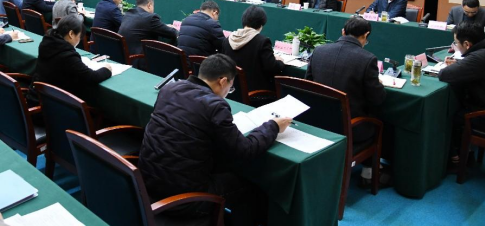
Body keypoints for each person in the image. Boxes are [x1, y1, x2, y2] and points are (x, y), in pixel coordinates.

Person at [138, 54, 291, 226]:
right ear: (223, 81)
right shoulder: (215, 105)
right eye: (230, 88)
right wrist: (273, 126)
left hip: (148, 184)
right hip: (184, 199)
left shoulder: (170, 89)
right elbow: (245, 150)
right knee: (250, 186)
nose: (227, 93)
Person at [306, 16, 386, 185]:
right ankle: (369, 171)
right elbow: (377, 99)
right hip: (350, 128)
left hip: (317, 122)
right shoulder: (367, 59)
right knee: (378, 118)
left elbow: (308, 85)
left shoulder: (319, 51)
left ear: (343, 32)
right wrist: (378, 84)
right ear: (366, 35)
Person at [27, 15, 111, 107]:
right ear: (71, 34)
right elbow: (92, 77)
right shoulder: (67, 55)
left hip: (36, 96)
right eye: (79, 36)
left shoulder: (46, 42)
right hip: (51, 105)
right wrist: (107, 69)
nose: (79, 40)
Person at [439, 22, 485, 164]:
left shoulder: (477, 58)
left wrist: (459, 67)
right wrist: (460, 66)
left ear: (467, 44)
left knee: (446, 115)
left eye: (456, 43)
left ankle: (455, 158)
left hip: (481, 113)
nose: (455, 46)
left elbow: (444, 74)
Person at [222, 6, 285, 104]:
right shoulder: (262, 41)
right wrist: (280, 61)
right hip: (257, 95)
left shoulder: (228, 40)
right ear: (261, 24)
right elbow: (272, 67)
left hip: (231, 91)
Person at [118, 0, 178, 69]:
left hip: (123, 57)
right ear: (149, 5)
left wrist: (163, 26)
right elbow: (172, 33)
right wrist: (174, 28)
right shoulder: (150, 18)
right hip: (139, 61)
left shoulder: (128, 14)